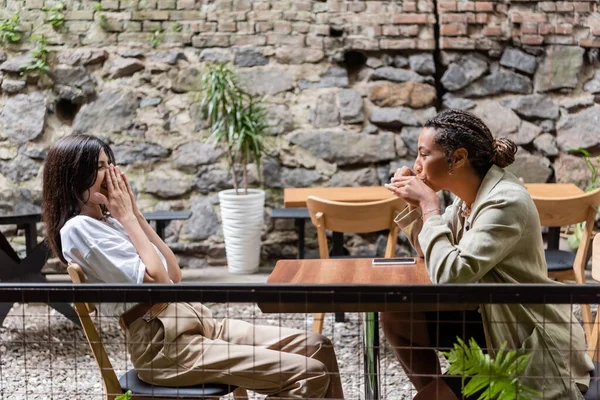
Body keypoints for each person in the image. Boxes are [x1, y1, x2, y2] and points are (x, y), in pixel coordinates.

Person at [41, 134, 344, 399]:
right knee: (309, 372)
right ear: (73, 177)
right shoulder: (79, 229)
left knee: (318, 346)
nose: (110, 174)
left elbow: (174, 273)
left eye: (108, 164)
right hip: (164, 347)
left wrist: (134, 213)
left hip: (196, 321)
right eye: (99, 167)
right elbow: (158, 283)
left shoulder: (110, 220)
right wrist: (128, 219)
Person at [382, 109, 593, 400]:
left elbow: (450, 274)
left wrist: (430, 207)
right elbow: (435, 250)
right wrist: (419, 208)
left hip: (525, 338)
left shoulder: (505, 201)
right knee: (397, 315)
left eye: (423, 155)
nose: (416, 166)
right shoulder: (467, 198)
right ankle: (443, 391)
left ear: (458, 158)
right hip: (488, 319)